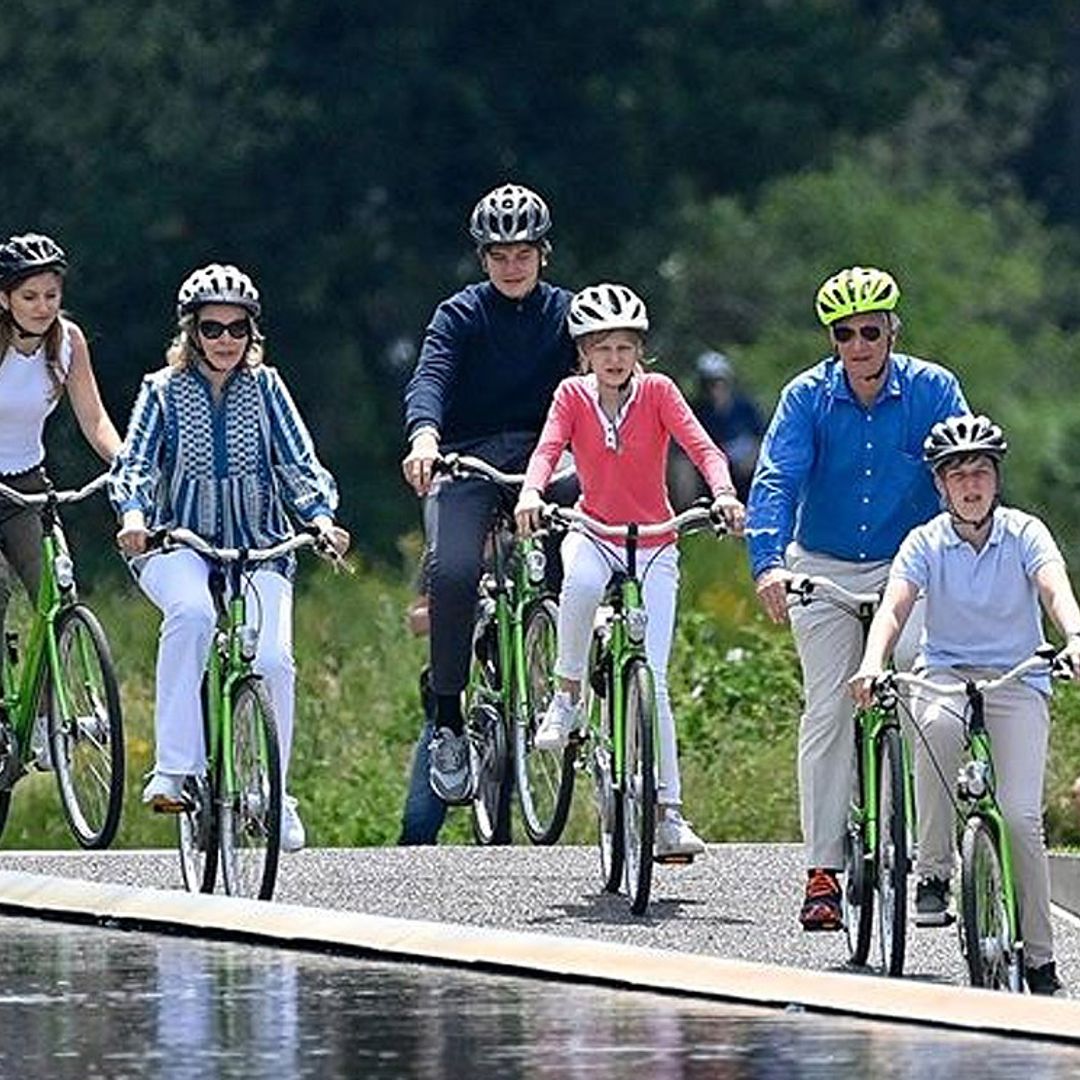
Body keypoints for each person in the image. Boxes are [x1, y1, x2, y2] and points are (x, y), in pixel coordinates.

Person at [745, 265, 969, 931]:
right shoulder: (806, 397)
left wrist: (964, 560)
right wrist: (767, 566)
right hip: (824, 567)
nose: (858, 345)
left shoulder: (934, 389)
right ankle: (822, 871)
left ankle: (935, 867)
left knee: (933, 701)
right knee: (828, 706)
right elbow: (776, 481)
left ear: (892, 331)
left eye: (871, 330)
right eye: (844, 334)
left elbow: (962, 473)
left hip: (909, 567)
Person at [109, 263, 347, 852]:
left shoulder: (268, 388)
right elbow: (134, 464)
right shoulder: (161, 391)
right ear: (191, 331)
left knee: (274, 661)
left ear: (251, 333)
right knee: (191, 615)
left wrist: (320, 518)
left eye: (237, 329)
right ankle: (173, 770)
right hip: (177, 543)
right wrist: (134, 517)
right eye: (212, 328)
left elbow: (298, 462)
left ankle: (276, 794)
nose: (225, 341)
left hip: (260, 547)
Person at [514, 283, 745, 860]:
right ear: (584, 353)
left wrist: (723, 493)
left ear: (639, 350)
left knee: (655, 680)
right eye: (601, 348)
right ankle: (567, 695)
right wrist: (531, 493)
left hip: (656, 543)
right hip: (594, 533)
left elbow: (705, 448)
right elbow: (547, 450)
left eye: (624, 347)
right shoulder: (571, 396)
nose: (614, 359)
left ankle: (668, 814)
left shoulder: (660, 392)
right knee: (583, 584)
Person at [851, 414, 1079, 996]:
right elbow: (896, 608)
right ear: (941, 486)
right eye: (958, 476)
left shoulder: (1026, 533)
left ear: (996, 480)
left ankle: (1041, 958)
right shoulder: (924, 542)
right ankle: (932, 870)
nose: (971, 485)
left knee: (1023, 818)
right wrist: (874, 661)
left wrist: (1074, 637)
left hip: (1018, 676)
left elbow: (1055, 588)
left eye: (980, 472)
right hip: (946, 672)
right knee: (934, 727)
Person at [400, 183, 578, 817]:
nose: (512, 265)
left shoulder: (566, 315)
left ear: (543, 254)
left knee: (591, 519)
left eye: (523, 253)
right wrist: (425, 437)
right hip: (467, 457)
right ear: (483, 259)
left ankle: (586, 645)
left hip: (544, 457)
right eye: (499, 254)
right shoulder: (459, 315)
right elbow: (430, 379)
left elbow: (605, 377)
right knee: (451, 571)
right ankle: (448, 716)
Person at [0, 233, 122, 765]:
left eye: (50, 295)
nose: (42, 307)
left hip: (28, 483)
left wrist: (124, 463)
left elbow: (94, 417)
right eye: (29, 296)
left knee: (56, 589)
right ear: (5, 298)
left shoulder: (67, 341)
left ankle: (51, 717)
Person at [669, 350, 765, 506]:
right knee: (682, 466)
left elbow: (761, 438)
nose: (716, 388)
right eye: (710, 383)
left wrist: (751, 456)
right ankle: (690, 513)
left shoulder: (745, 407)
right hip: (709, 461)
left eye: (720, 382)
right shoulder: (696, 410)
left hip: (742, 461)